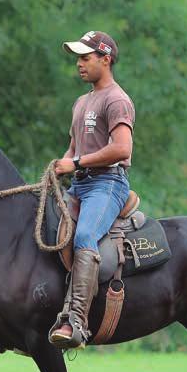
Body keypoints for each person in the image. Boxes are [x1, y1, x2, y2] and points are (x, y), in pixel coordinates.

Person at [48, 30, 135, 349]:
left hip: (107, 184)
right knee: (47, 229)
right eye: (77, 59)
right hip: (80, 184)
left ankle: (76, 324)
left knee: (85, 238)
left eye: (85, 58)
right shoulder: (81, 102)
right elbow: (74, 148)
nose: (79, 65)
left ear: (106, 59)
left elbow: (122, 149)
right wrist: (62, 164)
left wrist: (78, 162)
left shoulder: (117, 99)